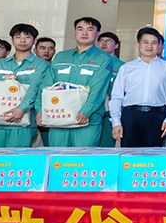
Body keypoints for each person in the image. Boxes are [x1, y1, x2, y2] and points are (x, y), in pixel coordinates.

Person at [40, 17, 113, 147]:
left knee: (82, 157)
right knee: (57, 155)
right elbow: (46, 86)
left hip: (86, 120)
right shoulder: (61, 56)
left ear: (97, 33)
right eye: (80, 29)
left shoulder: (103, 58)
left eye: (89, 29)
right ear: (75, 31)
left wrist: (86, 111)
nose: (84, 33)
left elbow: (98, 89)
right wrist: (40, 109)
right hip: (58, 116)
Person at [0, 23, 52, 148]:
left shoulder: (41, 65)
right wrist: (3, 83)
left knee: (17, 156)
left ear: (34, 41)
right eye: (18, 37)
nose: (22, 40)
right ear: (11, 40)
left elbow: (35, 89)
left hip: (22, 121)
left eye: (27, 37)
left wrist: (21, 108)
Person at [109, 28, 166, 148]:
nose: (149, 46)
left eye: (154, 43)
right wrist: (116, 122)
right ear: (138, 44)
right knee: (129, 155)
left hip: (156, 116)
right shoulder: (126, 68)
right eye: (145, 42)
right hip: (130, 116)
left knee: (153, 155)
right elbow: (116, 97)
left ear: (159, 45)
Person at [97, 31, 126, 148]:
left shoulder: (122, 66)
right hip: (93, 109)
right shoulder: (93, 63)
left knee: (106, 145)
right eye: (101, 41)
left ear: (116, 45)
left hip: (110, 110)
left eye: (108, 41)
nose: (104, 44)